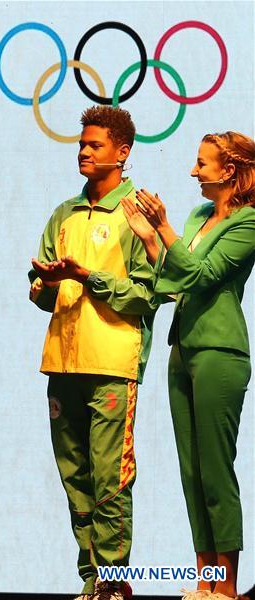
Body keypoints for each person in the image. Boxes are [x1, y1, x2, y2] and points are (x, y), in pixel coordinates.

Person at [28, 106, 157, 600]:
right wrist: (46, 283)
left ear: (122, 153)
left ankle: (114, 581)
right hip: (61, 363)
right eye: (81, 144)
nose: (83, 151)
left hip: (112, 365)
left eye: (94, 145)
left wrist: (88, 278)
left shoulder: (138, 214)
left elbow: (147, 294)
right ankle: (91, 577)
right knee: (74, 478)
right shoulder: (63, 213)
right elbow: (39, 290)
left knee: (110, 479)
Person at [122, 131, 255, 600]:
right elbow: (175, 279)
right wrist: (150, 240)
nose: (193, 171)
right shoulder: (200, 215)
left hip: (219, 351)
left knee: (216, 471)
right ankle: (205, 583)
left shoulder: (249, 222)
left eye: (202, 163)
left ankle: (228, 587)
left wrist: (163, 228)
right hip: (182, 347)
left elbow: (201, 275)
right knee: (192, 472)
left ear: (230, 170)